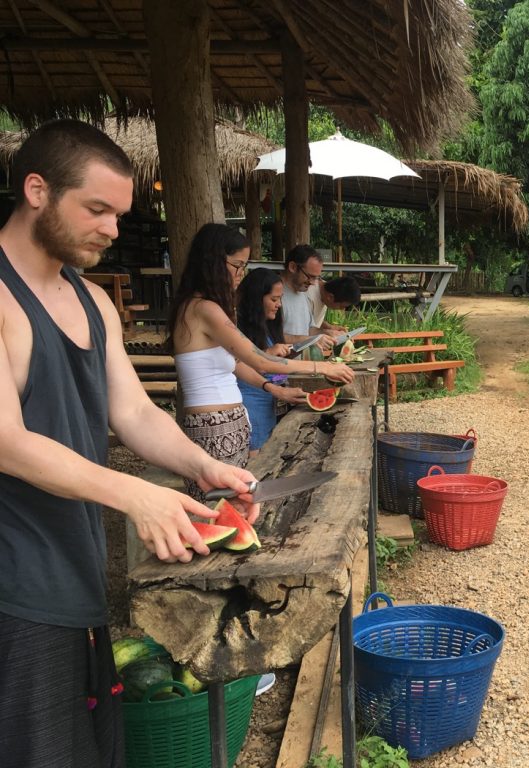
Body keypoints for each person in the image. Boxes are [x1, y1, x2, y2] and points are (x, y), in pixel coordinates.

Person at [0, 120, 259, 768]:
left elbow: (136, 412)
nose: (113, 230)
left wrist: (205, 466)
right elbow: (5, 440)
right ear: (37, 190)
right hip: (15, 592)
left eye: (118, 214)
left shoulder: (94, 304)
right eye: (97, 209)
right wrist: (135, 496)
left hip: (78, 578)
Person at [168, 224, 354, 499]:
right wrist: (322, 367)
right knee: (219, 508)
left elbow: (237, 364)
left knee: (233, 505)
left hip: (226, 421)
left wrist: (274, 389)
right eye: (237, 265)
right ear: (213, 261)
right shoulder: (204, 309)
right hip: (214, 425)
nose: (240, 274)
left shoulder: (200, 307)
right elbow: (261, 360)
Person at [235, 268, 307, 455]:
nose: (279, 305)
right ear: (255, 299)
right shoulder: (236, 328)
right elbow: (237, 364)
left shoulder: (266, 326)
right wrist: (267, 353)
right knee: (255, 461)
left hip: (271, 402)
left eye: (280, 299)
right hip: (251, 404)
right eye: (274, 300)